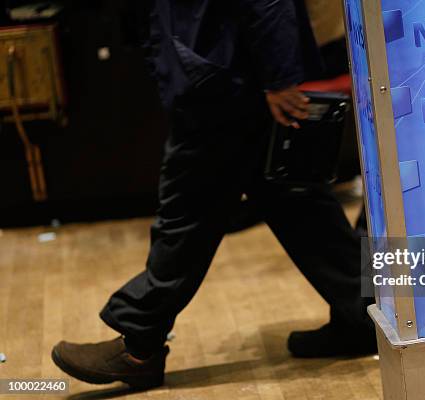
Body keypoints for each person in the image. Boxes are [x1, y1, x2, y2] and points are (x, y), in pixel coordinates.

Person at [51, 0, 375, 389]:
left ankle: (139, 343)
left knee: (188, 212)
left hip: (224, 78)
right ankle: (364, 314)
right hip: (225, 68)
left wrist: (279, 75)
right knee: (298, 204)